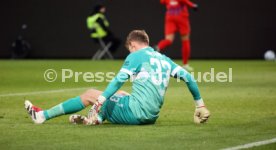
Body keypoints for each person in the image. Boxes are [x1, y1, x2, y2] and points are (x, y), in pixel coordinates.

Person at [25, 30, 210, 125]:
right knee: (121, 93)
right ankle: (96, 119)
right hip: (151, 116)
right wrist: (200, 105)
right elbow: (189, 78)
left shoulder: (136, 56)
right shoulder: (163, 58)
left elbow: (118, 79)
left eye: (129, 48)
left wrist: (100, 100)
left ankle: (42, 116)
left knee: (91, 94)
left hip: (136, 114)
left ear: (132, 44)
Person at [156, 0, 198, 71]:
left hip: (170, 17)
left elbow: (162, 1)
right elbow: (185, 1)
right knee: (185, 40)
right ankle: (185, 64)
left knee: (168, 39)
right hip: (181, 17)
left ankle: (158, 47)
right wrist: (193, 5)